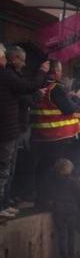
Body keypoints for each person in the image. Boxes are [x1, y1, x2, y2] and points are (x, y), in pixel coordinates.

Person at [0, 44, 48, 218]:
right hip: (7, 131)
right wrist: (42, 71)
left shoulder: (10, 75)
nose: (24, 64)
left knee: (9, 171)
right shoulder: (7, 75)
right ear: (14, 59)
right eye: (22, 60)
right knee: (4, 171)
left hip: (12, 130)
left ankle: (4, 203)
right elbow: (28, 89)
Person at [30, 60, 80, 207]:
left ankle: (41, 198)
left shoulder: (39, 85)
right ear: (54, 72)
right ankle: (46, 199)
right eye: (59, 70)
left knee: (42, 167)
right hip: (56, 136)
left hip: (41, 134)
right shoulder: (56, 88)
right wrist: (75, 98)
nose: (61, 73)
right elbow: (69, 108)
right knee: (52, 169)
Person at [45, 159, 80, 258]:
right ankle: (71, 255)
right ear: (70, 170)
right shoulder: (73, 182)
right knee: (71, 234)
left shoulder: (52, 182)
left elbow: (49, 194)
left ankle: (64, 257)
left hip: (58, 211)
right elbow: (79, 195)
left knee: (62, 235)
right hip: (71, 211)